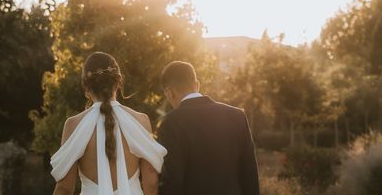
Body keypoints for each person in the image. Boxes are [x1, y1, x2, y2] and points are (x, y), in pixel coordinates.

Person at [51, 52, 167, 195]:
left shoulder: (73, 125)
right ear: (118, 82)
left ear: (86, 86)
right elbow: (151, 182)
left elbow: (65, 188)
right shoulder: (141, 120)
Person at [157, 61, 260, 195]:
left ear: (169, 92)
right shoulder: (237, 116)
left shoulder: (170, 123)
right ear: (197, 85)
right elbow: (250, 174)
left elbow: (172, 180)